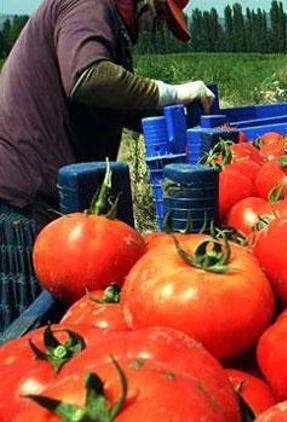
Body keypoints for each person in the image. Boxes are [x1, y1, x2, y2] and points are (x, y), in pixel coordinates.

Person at [0, 0, 214, 330]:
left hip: (46, 200)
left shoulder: (110, 24)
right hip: (22, 202)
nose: (154, 28)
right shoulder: (90, 4)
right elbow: (89, 77)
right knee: (26, 333)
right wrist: (170, 93)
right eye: (159, 16)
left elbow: (116, 104)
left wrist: (181, 123)